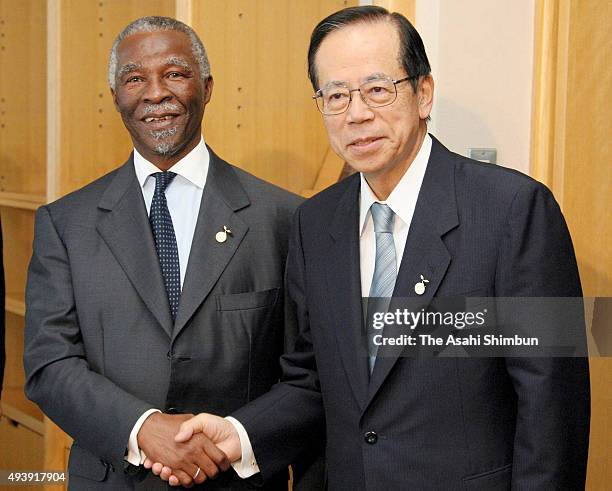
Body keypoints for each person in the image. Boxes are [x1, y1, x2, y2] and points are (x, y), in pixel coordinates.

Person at [158, 6, 591, 490]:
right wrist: (238, 433)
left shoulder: (514, 210)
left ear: (423, 93)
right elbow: (310, 379)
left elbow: (551, 404)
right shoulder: (316, 222)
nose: (357, 113)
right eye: (336, 95)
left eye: (378, 89)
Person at [23, 16, 311, 490]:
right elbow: (49, 363)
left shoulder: (283, 217)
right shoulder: (65, 223)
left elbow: (306, 371)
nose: (155, 93)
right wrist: (142, 428)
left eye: (175, 73)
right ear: (116, 95)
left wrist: (238, 436)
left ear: (208, 87)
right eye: (135, 78)